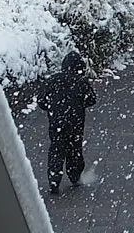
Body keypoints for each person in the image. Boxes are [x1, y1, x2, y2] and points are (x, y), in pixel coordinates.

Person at [42, 52, 96, 195]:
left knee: (56, 149)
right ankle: (75, 176)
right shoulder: (81, 82)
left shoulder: (53, 80)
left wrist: (52, 107)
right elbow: (91, 99)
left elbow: (41, 100)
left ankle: (54, 179)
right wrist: (79, 104)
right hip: (75, 122)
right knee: (74, 150)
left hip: (57, 122)